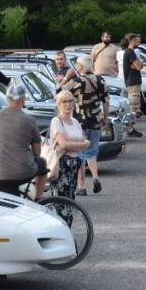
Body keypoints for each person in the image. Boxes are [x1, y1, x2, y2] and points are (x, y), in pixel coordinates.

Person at [0, 85, 47, 200]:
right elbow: (37, 153)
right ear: (24, 99)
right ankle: (38, 200)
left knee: (9, 210)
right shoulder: (30, 120)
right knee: (42, 162)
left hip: (2, 177)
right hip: (25, 171)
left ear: (7, 99)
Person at [62, 55, 109, 195]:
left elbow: (59, 93)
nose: (76, 66)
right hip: (96, 121)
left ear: (81, 67)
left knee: (80, 155)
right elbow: (106, 101)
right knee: (92, 153)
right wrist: (104, 118)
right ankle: (95, 177)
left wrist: (66, 77)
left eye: (77, 64)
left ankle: (81, 187)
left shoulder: (76, 82)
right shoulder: (100, 80)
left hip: (80, 123)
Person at [49, 90, 90, 200]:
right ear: (59, 104)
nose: (68, 104)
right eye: (64, 102)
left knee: (71, 199)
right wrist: (81, 145)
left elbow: (83, 140)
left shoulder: (75, 122)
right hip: (62, 164)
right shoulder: (56, 121)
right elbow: (63, 144)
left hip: (74, 163)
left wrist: (81, 144)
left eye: (70, 101)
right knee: (60, 200)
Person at [122, 34, 144, 137]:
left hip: (133, 81)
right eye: (138, 42)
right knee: (133, 106)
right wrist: (137, 65)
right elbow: (139, 66)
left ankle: (131, 127)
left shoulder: (130, 52)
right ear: (132, 42)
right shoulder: (130, 52)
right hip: (133, 82)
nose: (139, 44)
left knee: (134, 106)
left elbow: (140, 65)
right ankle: (130, 128)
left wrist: (137, 65)